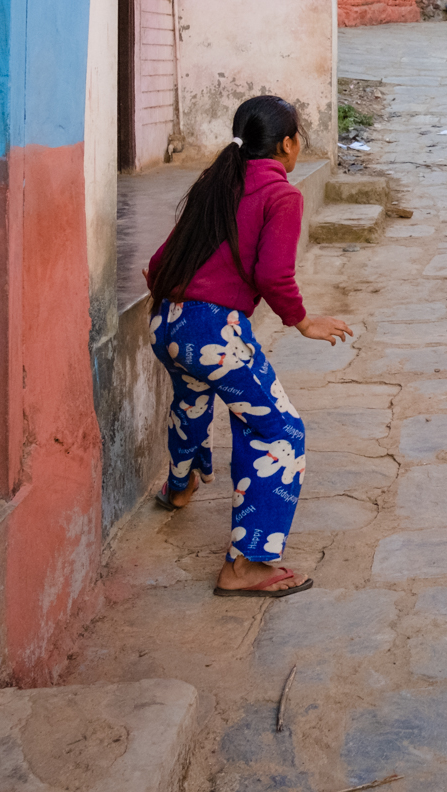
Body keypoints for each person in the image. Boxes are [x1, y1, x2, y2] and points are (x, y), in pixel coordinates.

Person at [145, 95, 352, 598]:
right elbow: (273, 274)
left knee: (192, 402)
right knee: (280, 431)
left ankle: (178, 487)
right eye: (298, 138)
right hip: (214, 332)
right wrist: (302, 322)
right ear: (286, 144)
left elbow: (156, 262)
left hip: (165, 322)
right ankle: (247, 564)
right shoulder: (280, 193)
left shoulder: (216, 182)